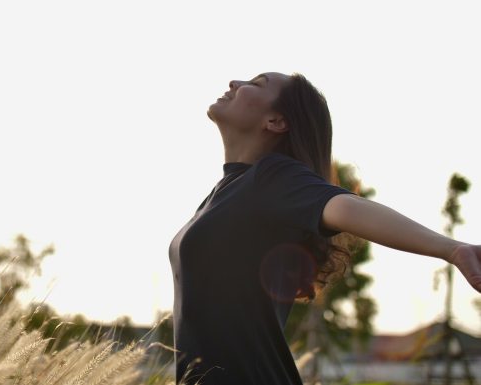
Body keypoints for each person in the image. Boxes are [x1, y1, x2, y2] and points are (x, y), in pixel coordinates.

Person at [167, 71, 481, 385]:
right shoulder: (227, 191)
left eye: (257, 83)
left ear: (276, 121)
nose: (235, 82)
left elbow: (347, 207)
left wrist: (451, 249)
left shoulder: (272, 177)